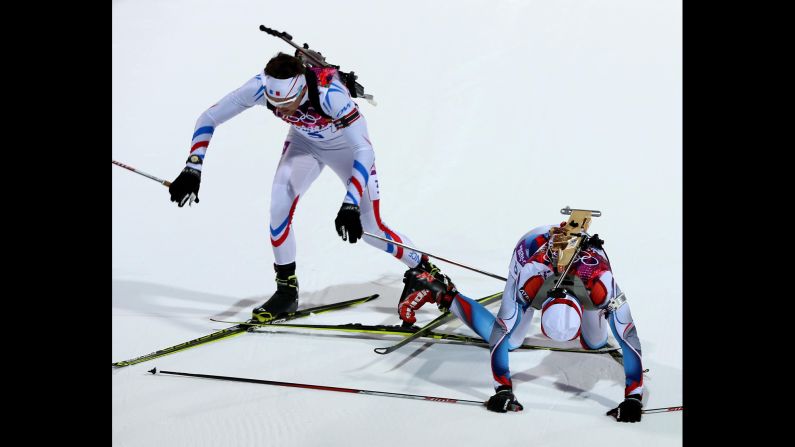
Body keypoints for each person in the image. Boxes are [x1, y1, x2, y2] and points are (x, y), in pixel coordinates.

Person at [167, 52, 442, 322]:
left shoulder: (330, 95)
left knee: (371, 231)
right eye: (275, 104)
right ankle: (286, 291)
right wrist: (193, 166)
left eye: (289, 102)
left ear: (301, 87)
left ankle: (424, 270)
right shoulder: (260, 87)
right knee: (278, 208)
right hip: (304, 144)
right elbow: (208, 118)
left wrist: (350, 202)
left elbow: (363, 150)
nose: (283, 110)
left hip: (347, 150)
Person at [397, 222, 645, 422]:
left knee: (596, 342)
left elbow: (628, 335)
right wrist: (502, 389)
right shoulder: (529, 281)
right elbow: (500, 334)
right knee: (513, 340)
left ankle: (588, 330)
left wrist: (633, 397)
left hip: (582, 268)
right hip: (530, 249)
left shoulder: (601, 285)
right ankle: (440, 291)